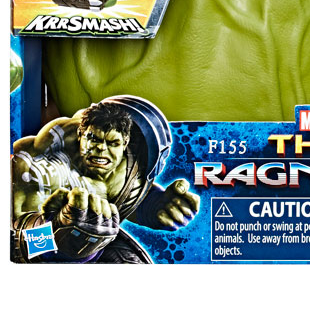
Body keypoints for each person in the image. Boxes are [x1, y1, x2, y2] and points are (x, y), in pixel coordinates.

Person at [12, 99, 199, 263]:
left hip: (100, 245)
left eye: (112, 143)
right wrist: (57, 235)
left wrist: (152, 205)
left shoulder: (135, 170)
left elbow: (122, 197)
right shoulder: (43, 165)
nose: (101, 149)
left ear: (125, 144)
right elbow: (18, 241)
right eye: (94, 139)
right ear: (80, 135)